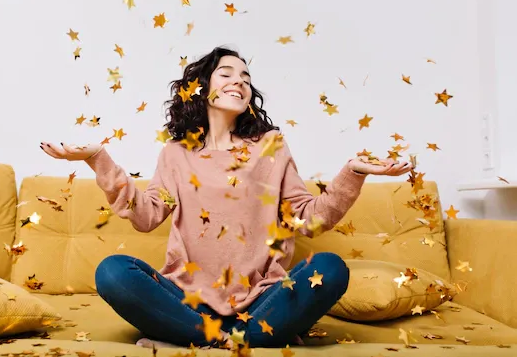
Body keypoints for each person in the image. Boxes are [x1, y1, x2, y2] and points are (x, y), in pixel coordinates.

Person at [40, 46, 413, 350]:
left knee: (330, 268)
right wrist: (96, 157)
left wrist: (354, 172)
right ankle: (239, 339)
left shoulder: (271, 147)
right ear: (201, 86)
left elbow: (309, 220)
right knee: (112, 272)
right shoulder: (175, 153)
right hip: (187, 300)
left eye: (246, 77)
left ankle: (196, 337)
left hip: (262, 299)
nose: (240, 81)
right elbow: (146, 216)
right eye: (227, 73)